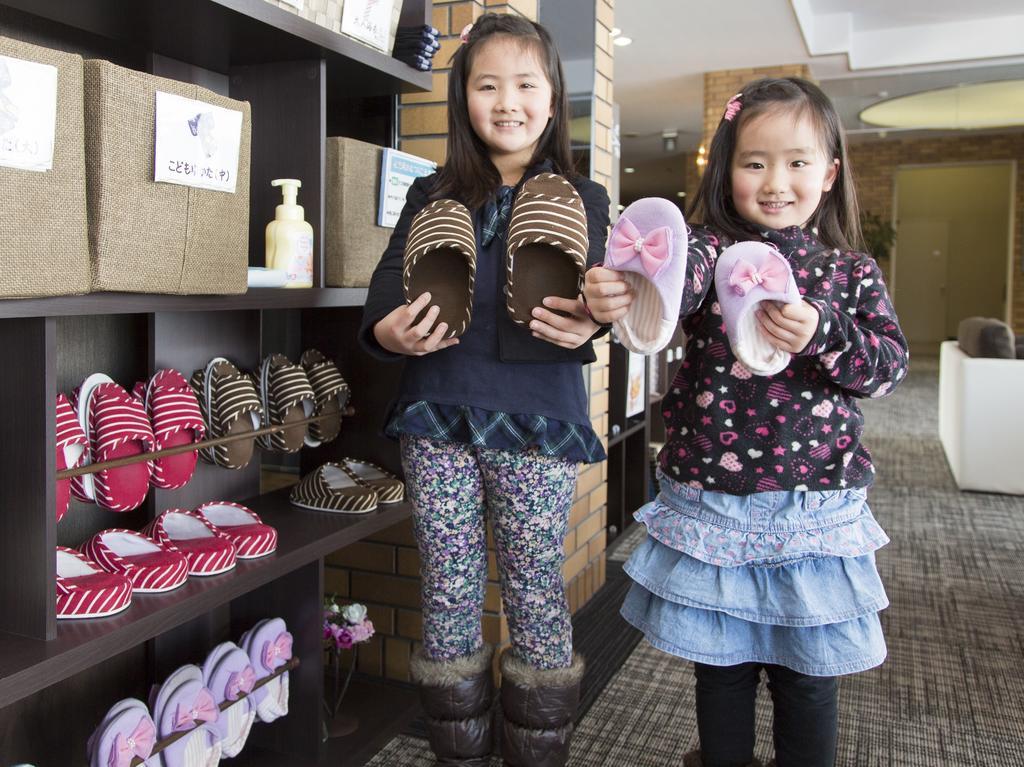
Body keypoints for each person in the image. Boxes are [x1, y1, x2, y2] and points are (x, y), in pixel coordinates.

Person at [584, 77, 908, 767]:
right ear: (726, 169)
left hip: (812, 508)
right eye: (753, 162)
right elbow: (680, 283)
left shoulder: (850, 272)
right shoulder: (706, 252)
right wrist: (641, 279)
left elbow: (885, 368)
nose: (775, 181)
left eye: (796, 162)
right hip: (715, 507)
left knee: (809, 679)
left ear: (830, 171)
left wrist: (822, 330)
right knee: (721, 672)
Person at [359, 13, 610, 767]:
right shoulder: (431, 190)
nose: (508, 101)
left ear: (552, 95)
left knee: (534, 577)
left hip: (537, 418)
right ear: (464, 96)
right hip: (436, 409)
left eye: (526, 84)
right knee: (448, 580)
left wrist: (597, 320)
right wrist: (387, 332)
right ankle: (458, 755)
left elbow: (599, 300)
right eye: (487, 83)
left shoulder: (584, 196)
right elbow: (381, 293)